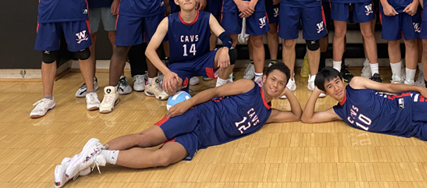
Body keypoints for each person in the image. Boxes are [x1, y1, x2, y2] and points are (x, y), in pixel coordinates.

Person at [54, 62, 302, 187]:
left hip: (202, 139)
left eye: (281, 83)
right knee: (147, 138)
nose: (275, 85)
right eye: (273, 80)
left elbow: (296, 115)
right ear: (265, 78)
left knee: (161, 159)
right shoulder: (249, 87)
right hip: (198, 114)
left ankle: (98, 156)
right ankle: (97, 150)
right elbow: (216, 92)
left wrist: (288, 91)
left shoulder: (269, 114)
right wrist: (187, 103)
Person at [146, 0, 236, 92]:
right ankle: (182, 85)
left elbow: (226, 37)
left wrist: (225, 49)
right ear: (176, 1)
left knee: (231, 52)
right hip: (179, 64)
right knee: (170, 87)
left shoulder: (207, 17)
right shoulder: (168, 21)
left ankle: (219, 91)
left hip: (203, 60)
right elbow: (149, 51)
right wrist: (167, 72)